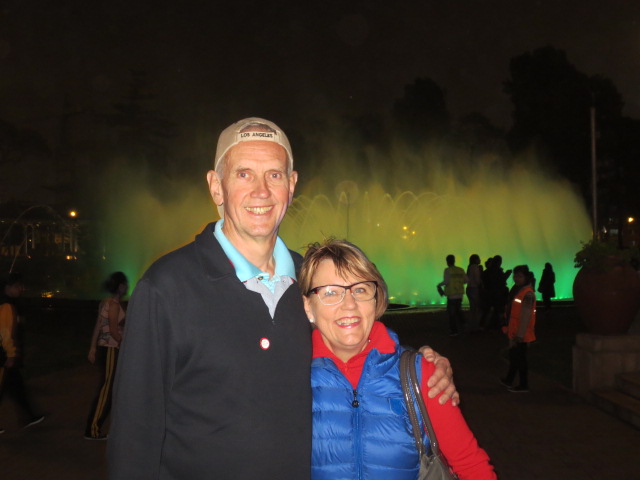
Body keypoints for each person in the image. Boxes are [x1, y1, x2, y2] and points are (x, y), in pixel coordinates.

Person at [108, 117, 457, 479]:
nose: (261, 191)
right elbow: (135, 434)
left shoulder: (313, 284)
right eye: (243, 174)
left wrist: (423, 367)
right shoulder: (166, 288)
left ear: (291, 186)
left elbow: (361, 346)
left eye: (274, 175)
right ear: (216, 187)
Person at [300, 239, 497, 479]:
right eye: (331, 292)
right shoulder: (292, 375)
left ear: (376, 299)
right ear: (308, 307)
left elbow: (470, 465)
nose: (349, 305)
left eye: (360, 289)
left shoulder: (419, 373)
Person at [84, 271, 128, 440]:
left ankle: (96, 426)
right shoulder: (115, 305)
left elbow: (97, 326)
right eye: (124, 284)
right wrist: (126, 343)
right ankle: (93, 429)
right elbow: (113, 330)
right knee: (107, 389)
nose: (126, 287)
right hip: (111, 349)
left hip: (105, 348)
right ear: (120, 286)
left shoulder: (106, 302)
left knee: (109, 388)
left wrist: (92, 348)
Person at [0, 273, 45, 434]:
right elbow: (6, 333)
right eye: (18, 286)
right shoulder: (7, 306)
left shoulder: (8, 304)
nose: (22, 289)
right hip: (4, 355)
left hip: (5, 355)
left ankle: (29, 416)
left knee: (15, 386)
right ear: (8, 288)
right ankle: (29, 416)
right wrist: (11, 354)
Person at [501, 265, 537, 393]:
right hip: (516, 332)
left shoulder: (527, 294)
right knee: (515, 357)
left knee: (520, 359)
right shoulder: (520, 290)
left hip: (521, 334)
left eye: (519, 276)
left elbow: (526, 316)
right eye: (515, 276)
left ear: (526, 277)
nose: (516, 278)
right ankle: (509, 380)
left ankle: (523, 385)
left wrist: (520, 335)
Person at [437, 254, 467, 336]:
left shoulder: (447, 270)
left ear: (447, 261)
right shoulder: (460, 270)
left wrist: (439, 285)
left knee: (452, 314)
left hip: (451, 295)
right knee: (458, 310)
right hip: (460, 294)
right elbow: (466, 280)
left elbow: (446, 282)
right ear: (454, 260)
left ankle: (454, 331)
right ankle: (463, 325)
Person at [466, 254, 483, 333]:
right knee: (476, 309)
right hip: (474, 289)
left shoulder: (469, 267)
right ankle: (476, 326)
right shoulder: (475, 267)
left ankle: (471, 326)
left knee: (472, 309)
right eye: (478, 258)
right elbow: (477, 280)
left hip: (469, 289)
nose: (480, 260)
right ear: (475, 260)